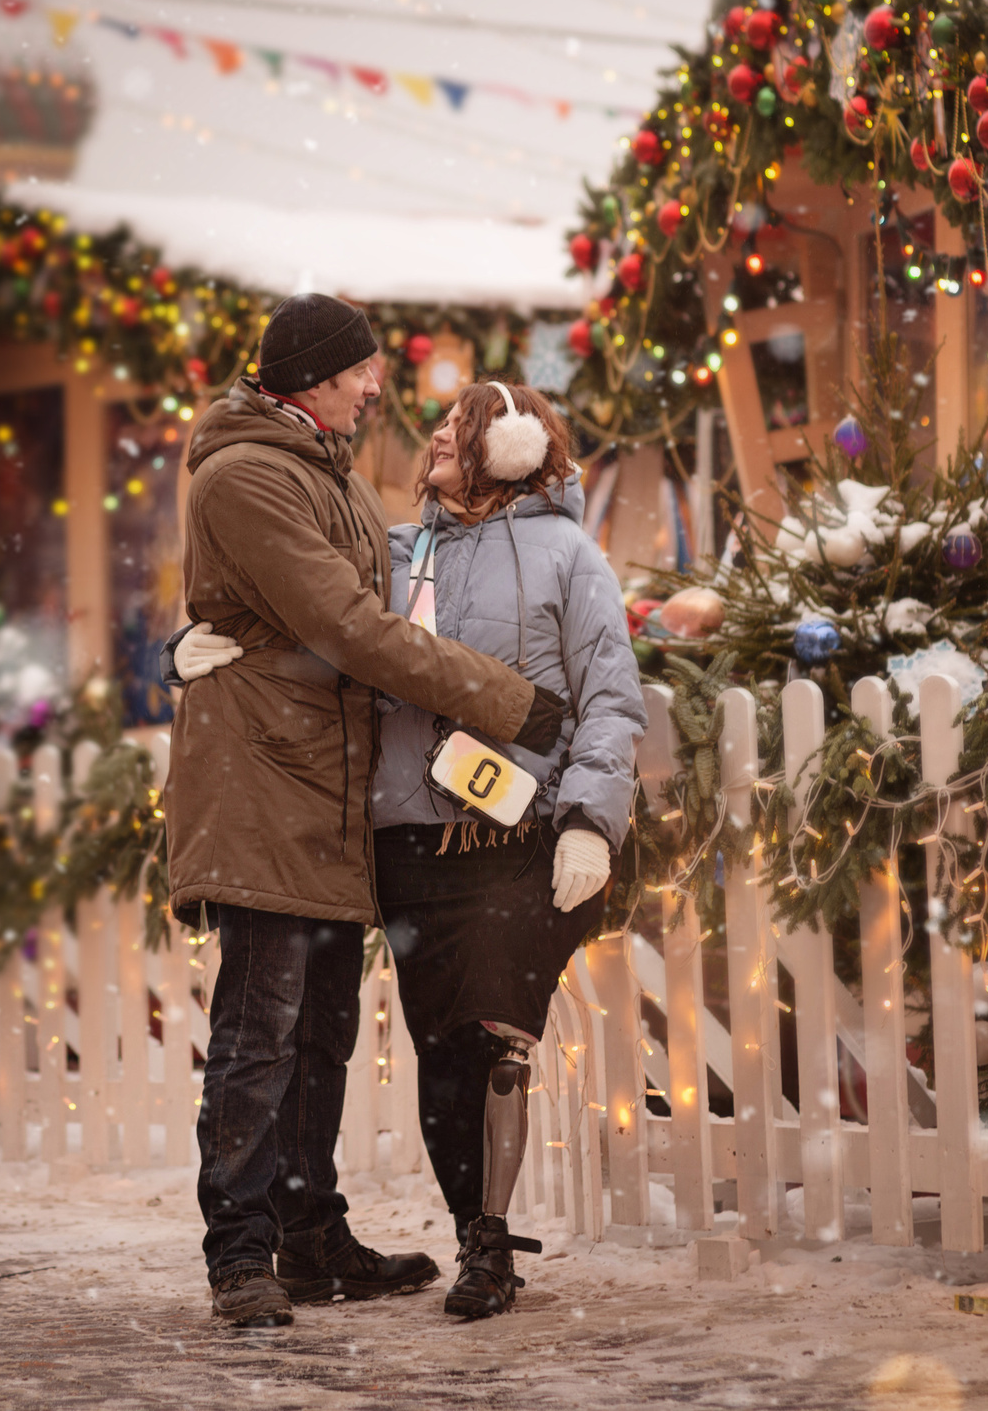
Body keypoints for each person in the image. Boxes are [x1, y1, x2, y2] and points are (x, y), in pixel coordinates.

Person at [159, 293, 567, 1329]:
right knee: (262, 1028)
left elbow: (387, 590)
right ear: (306, 376)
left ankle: (308, 1233)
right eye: (360, 371)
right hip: (263, 779)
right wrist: (506, 700)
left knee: (323, 1029)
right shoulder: (248, 474)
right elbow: (346, 623)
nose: (376, 386)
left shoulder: (321, 471)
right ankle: (240, 1252)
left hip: (325, 785)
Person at [370, 380, 646, 1320]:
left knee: (494, 1036)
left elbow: (610, 697)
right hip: (409, 844)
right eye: (440, 424)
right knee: (440, 1049)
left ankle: (491, 1248)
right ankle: (469, 1230)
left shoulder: (570, 554)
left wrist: (588, 820)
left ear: (518, 445)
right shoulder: (398, 557)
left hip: (519, 838)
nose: (441, 435)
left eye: (465, 424)